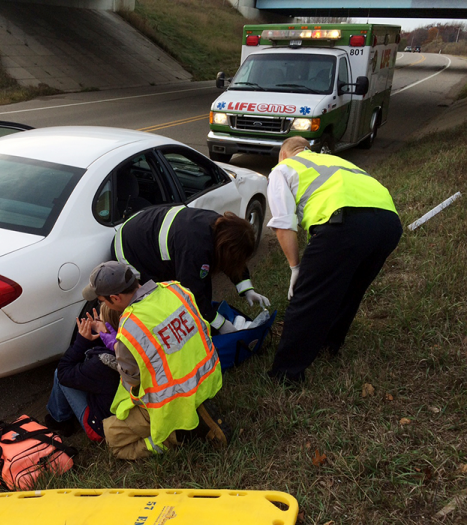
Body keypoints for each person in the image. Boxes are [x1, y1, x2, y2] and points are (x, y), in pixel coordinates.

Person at [266, 137, 403, 382]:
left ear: (284, 155)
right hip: (389, 224)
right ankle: (328, 344)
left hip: (345, 224)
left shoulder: (283, 169)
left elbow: (283, 225)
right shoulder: (334, 160)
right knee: (351, 287)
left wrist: (296, 268)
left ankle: (286, 374)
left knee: (308, 297)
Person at [83, 261, 226, 460]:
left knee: (113, 438)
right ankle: (192, 417)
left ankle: (174, 437)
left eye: (103, 301)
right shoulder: (176, 289)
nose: (104, 305)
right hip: (206, 379)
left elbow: (132, 381)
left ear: (115, 298)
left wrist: (116, 348)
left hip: (172, 401)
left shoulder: (130, 329)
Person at [113, 205, 269, 335]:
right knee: (164, 303)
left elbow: (232, 258)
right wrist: (221, 324)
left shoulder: (221, 227)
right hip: (131, 250)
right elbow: (192, 294)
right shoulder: (195, 247)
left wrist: (246, 288)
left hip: (146, 229)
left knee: (198, 289)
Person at [44, 304, 121, 441]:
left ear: (108, 327)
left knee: (60, 375)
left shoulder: (101, 364)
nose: (96, 322)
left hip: (102, 428)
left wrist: (81, 342)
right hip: (120, 410)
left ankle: (59, 420)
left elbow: (64, 372)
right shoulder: (129, 346)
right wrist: (101, 335)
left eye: (100, 320)